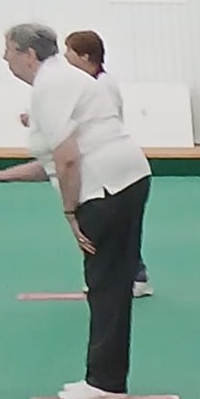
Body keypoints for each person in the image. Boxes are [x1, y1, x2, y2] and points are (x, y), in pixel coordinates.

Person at [0, 22, 153, 399]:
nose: (4, 58)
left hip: (106, 188)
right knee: (110, 284)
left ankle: (105, 383)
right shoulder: (60, 81)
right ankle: (107, 379)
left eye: (9, 50)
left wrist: (70, 211)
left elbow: (68, 159)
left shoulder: (50, 88)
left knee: (105, 285)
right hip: (126, 177)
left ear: (29, 54)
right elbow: (53, 162)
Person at [64, 30, 151, 298]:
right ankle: (133, 276)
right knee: (123, 228)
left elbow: (88, 121)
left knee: (113, 227)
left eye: (69, 52)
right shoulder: (92, 84)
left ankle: (133, 276)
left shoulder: (102, 86)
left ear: (85, 56)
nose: (65, 57)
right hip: (110, 166)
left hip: (109, 168)